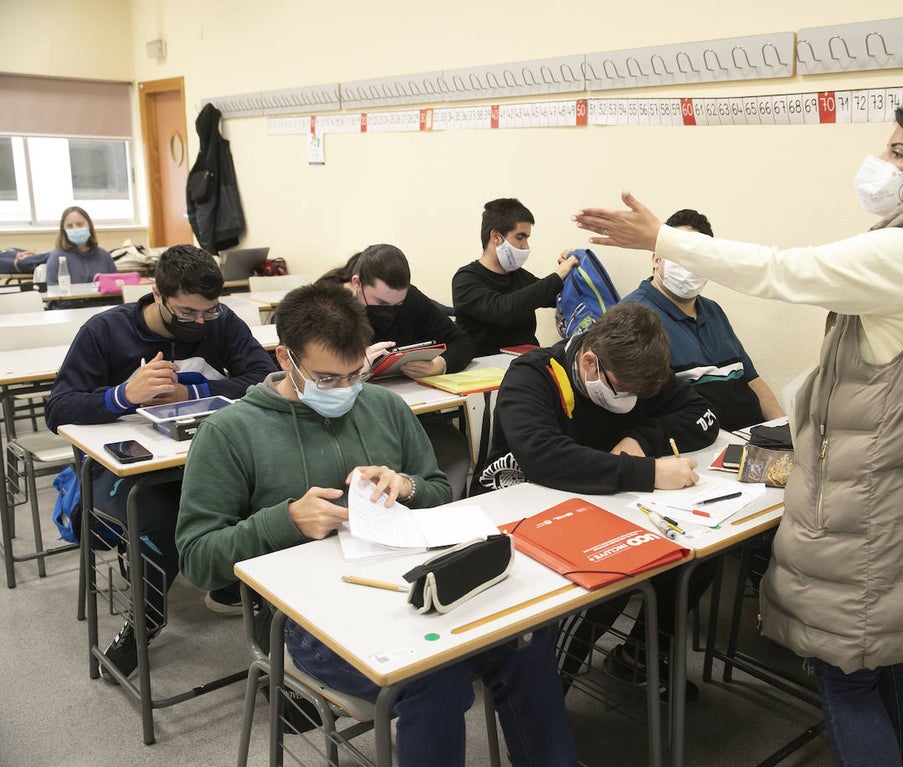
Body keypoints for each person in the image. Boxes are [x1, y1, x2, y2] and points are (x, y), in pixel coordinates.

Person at [574, 100, 903, 766]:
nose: (882, 163)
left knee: (845, 668)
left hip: (883, 506)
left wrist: (664, 238)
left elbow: (783, 269)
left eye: (898, 151)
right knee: (901, 656)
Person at [175, 282, 577, 765]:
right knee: (435, 682)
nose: (344, 391)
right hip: (304, 619)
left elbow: (437, 492)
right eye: (326, 379)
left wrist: (406, 487)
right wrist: (283, 521)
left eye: (355, 374)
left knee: (526, 647)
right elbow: (198, 559)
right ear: (285, 358)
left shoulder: (384, 406)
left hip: (411, 591)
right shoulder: (230, 433)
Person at [46, 244, 277, 680]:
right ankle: (144, 620)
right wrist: (123, 396)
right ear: (157, 294)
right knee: (164, 520)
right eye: (186, 312)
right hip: (118, 469)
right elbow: (58, 409)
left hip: (195, 458)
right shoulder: (105, 331)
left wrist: (193, 394)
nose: (199, 322)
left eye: (208, 311)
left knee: (259, 495)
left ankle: (246, 603)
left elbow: (262, 378)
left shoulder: (220, 322)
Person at [472, 301, 720, 702]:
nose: (631, 400)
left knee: (697, 555)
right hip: (520, 512)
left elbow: (704, 413)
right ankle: (546, 694)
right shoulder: (533, 375)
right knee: (620, 570)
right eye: (624, 390)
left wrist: (644, 440)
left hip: (601, 501)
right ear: (590, 363)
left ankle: (637, 655)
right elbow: (544, 457)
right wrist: (650, 474)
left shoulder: (637, 371)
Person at [623, 208, 784, 431]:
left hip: (751, 440)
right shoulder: (634, 317)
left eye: (699, 261)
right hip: (698, 447)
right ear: (656, 258)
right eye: (681, 257)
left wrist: (782, 429)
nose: (690, 268)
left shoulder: (713, 311)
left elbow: (752, 379)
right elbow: (642, 413)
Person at [317, 243, 475, 377]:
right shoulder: (325, 304)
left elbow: (462, 343)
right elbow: (310, 365)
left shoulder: (411, 298)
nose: (390, 310)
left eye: (398, 303)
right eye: (381, 302)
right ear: (357, 283)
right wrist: (354, 367)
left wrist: (439, 365)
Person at [451, 197, 579, 355]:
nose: (525, 246)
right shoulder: (466, 279)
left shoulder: (521, 277)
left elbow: (556, 296)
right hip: (482, 367)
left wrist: (572, 273)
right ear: (496, 237)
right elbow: (503, 310)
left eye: (527, 238)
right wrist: (558, 275)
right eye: (520, 237)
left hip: (525, 363)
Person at [45, 206, 117, 307]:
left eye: (79, 224)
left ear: (89, 225)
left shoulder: (104, 255)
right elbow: (53, 293)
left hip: (101, 310)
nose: (75, 229)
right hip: (69, 311)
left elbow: (114, 288)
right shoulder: (57, 256)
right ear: (64, 230)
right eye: (70, 226)